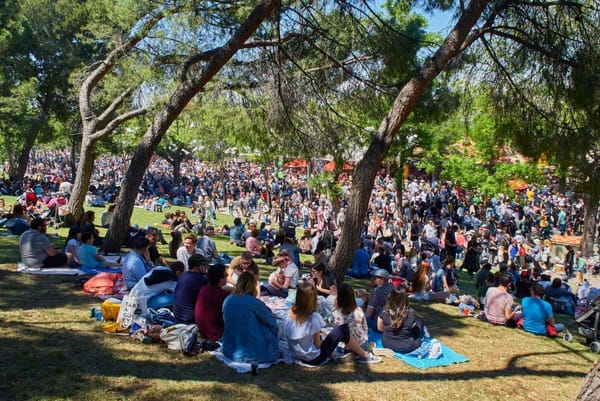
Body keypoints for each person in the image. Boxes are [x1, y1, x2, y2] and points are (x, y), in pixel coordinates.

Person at [283, 282, 381, 365]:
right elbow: (318, 344)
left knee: (331, 334)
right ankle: (364, 355)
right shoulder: (314, 317)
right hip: (313, 359)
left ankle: (338, 354)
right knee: (343, 330)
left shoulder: (290, 311)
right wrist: (329, 341)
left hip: (296, 354)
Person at [221, 271, 280, 364]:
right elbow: (272, 323)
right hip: (252, 353)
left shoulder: (228, 300)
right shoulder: (254, 303)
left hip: (229, 347)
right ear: (252, 285)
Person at [377, 286, 425, 354]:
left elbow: (379, 328)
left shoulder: (384, 311)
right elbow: (414, 328)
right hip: (405, 347)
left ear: (391, 297)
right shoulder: (411, 313)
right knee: (419, 324)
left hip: (386, 343)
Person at [330, 283, 370, 352]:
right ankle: (359, 352)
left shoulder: (335, 312)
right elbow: (365, 327)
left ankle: (347, 353)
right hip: (361, 344)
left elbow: (333, 327)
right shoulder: (359, 310)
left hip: (344, 346)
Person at [195, 264, 230, 341]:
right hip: (216, 334)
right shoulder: (222, 295)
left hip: (203, 330)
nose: (227, 276)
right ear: (220, 280)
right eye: (226, 275)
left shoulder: (204, 289)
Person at [172, 254, 209, 323]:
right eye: (204, 265)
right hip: (190, 318)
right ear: (196, 267)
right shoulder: (200, 279)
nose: (206, 267)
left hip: (177, 315)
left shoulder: (183, 275)